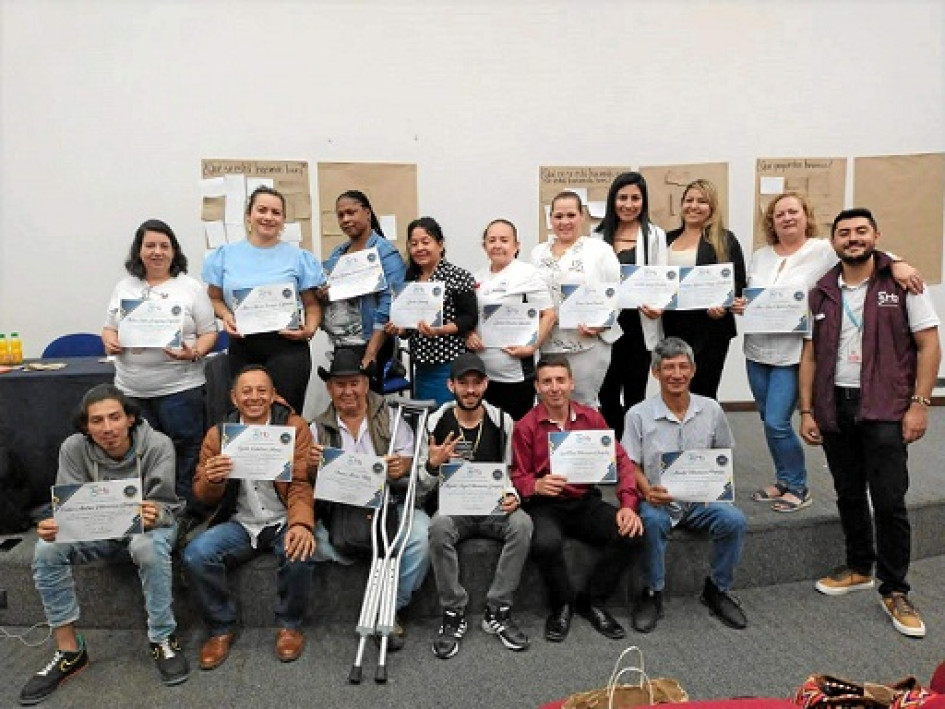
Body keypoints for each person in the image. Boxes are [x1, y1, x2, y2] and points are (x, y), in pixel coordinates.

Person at [732, 192, 922, 513]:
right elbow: (753, 295)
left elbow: (863, 250)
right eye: (780, 214)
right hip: (757, 350)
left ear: (806, 216)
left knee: (778, 422)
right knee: (768, 420)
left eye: (793, 211)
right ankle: (782, 478)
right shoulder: (760, 255)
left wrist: (898, 264)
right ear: (772, 221)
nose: (787, 218)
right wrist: (742, 305)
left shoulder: (822, 250)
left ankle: (798, 484)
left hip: (793, 353)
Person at [799, 207, 940, 639]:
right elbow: (810, 353)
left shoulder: (902, 283)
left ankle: (895, 588)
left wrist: (920, 403)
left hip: (885, 406)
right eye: (844, 233)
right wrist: (807, 409)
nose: (853, 238)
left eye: (862, 231)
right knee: (847, 492)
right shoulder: (821, 290)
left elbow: (929, 344)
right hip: (835, 404)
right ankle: (859, 565)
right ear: (834, 241)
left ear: (877, 235)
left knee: (890, 499)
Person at [20, 385, 188, 705]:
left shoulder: (157, 444)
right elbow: (69, 508)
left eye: (115, 417)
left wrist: (154, 514)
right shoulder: (73, 448)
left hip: (150, 525)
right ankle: (70, 651)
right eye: (97, 421)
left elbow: (167, 506)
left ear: (131, 419)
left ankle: (163, 637)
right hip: (97, 529)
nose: (107, 428)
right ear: (86, 426)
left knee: (146, 548)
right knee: (46, 550)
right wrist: (56, 525)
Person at [183, 365, 316, 668]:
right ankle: (221, 628)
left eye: (261, 390)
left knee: (299, 550)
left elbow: (300, 485)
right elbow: (202, 496)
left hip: (282, 517)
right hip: (240, 522)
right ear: (233, 398)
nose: (254, 397)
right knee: (196, 555)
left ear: (273, 396)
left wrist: (300, 524)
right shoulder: (218, 435)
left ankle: (290, 625)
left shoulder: (294, 427)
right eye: (246, 391)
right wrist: (212, 480)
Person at [511, 356, 643, 642]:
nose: (554, 387)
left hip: (584, 500)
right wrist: (535, 485)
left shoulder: (591, 418)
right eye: (547, 381)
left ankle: (592, 600)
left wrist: (628, 506)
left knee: (631, 533)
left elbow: (622, 462)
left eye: (560, 380)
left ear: (572, 383)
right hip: (546, 505)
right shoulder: (525, 427)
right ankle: (562, 604)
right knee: (545, 543)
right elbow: (517, 477)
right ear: (537, 387)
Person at [622, 337, 748, 633]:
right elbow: (629, 463)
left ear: (693, 370)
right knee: (650, 523)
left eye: (682, 367)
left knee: (735, 520)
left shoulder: (711, 409)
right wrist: (646, 490)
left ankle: (717, 589)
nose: (676, 374)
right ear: (655, 372)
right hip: (658, 500)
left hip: (701, 502)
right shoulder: (638, 414)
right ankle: (653, 592)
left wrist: (717, 490)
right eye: (668, 367)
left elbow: (723, 454)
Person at [308, 348, 430, 651]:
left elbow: (411, 469)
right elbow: (311, 486)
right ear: (329, 388)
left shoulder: (391, 417)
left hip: (390, 503)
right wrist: (313, 469)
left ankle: (390, 608)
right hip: (343, 510)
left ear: (365, 384)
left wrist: (402, 468)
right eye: (340, 384)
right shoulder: (316, 428)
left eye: (354, 383)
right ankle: (370, 557)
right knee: (312, 544)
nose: (348, 391)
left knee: (422, 536)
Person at [419, 352, 533, 658]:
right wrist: (432, 465)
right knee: (439, 526)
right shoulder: (434, 421)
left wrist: (513, 495)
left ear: (486, 384)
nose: (470, 390)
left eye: (476, 383)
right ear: (450, 385)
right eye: (463, 383)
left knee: (522, 524)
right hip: (454, 508)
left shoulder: (501, 420)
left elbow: (512, 470)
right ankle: (453, 612)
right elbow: (419, 486)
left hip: (492, 505)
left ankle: (498, 609)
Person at [102, 218, 218, 519]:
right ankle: (148, 510)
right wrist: (111, 341)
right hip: (132, 388)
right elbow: (108, 328)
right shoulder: (124, 286)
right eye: (150, 245)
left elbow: (209, 333)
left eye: (164, 246)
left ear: (174, 251)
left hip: (180, 387)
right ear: (139, 251)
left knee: (185, 447)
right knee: (141, 451)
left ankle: (184, 509)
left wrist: (194, 353)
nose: (157, 252)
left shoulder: (190, 288)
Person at [202, 185, 325, 415]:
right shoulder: (225, 256)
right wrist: (227, 316)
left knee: (285, 417)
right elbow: (214, 298)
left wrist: (309, 330)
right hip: (242, 347)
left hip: (287, 349)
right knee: (245, 416)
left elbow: (312, 305)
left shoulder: (299, 258)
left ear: (283, 220)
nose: (268, 217)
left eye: (276, 213)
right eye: (262, 210)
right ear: (249, 215)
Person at [595, 172, 668, 439]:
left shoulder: (656, 236)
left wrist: (660, 305)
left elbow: (662, 279)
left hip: (640, 325)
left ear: (644, 201)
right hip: (607, 327)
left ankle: (635, 456)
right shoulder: (597, 236)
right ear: (613, 200)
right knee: (607, 393)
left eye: (635, 198)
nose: (628, 204)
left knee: (636, 393)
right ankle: (615, 450)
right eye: (622, 197)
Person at [531, 191, 621, 407]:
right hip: (547, 343)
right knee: (550, 404)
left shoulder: (600, 250)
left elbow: (616, 293)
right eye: (558, 216)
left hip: (586, 343)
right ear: (550, 219)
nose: (564, 222)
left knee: (582, 404)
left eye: (571, 215)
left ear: (582, 216)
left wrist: (601, 324)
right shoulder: (538, 253)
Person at [660, 179, 746, 400]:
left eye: (702, 201)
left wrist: (724, 306)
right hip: (672, 327)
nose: (694, 206)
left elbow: (738, 282)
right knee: (674, 391)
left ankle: (703, 435)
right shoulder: (666, 240)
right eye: (689, 200)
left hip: (710, 330)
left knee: (703, 393)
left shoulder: (724, 239)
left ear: (712, 207)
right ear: (681, 205)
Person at [465, 219, 556, 420]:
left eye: (504, 240)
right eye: (492, 240)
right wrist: (469, 334)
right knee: (489, 429)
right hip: (482, 372)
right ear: (484, 246)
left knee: (516, 430)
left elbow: (549, 314)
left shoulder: (527, 274)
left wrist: (532, 347)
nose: (497, 245)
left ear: (517, 245)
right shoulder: (476, 277)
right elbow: (470, 317)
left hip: (515, 373)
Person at [384, 216, 478, 407]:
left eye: (426, 242)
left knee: (446, 418)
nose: (419, 248)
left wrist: (440, 330)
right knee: (425, 421)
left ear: (440, 244)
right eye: (414, 244)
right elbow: (410, 327)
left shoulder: (457, 276)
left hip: (450, 365)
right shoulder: (410, 280)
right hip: (421, 366)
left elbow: (469, 318)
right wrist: (399, 330)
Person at [321, 190, 407, 389]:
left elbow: (388, 304)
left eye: (351, 212)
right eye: (341, 215)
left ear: (367, 213)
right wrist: (323, 295)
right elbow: (331, 296)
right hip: (342, 343)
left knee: (366, 403)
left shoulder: (385, 253)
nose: (346, 219)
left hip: (371, 342)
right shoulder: (338, 252)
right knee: (344, 401)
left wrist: (371, 353)